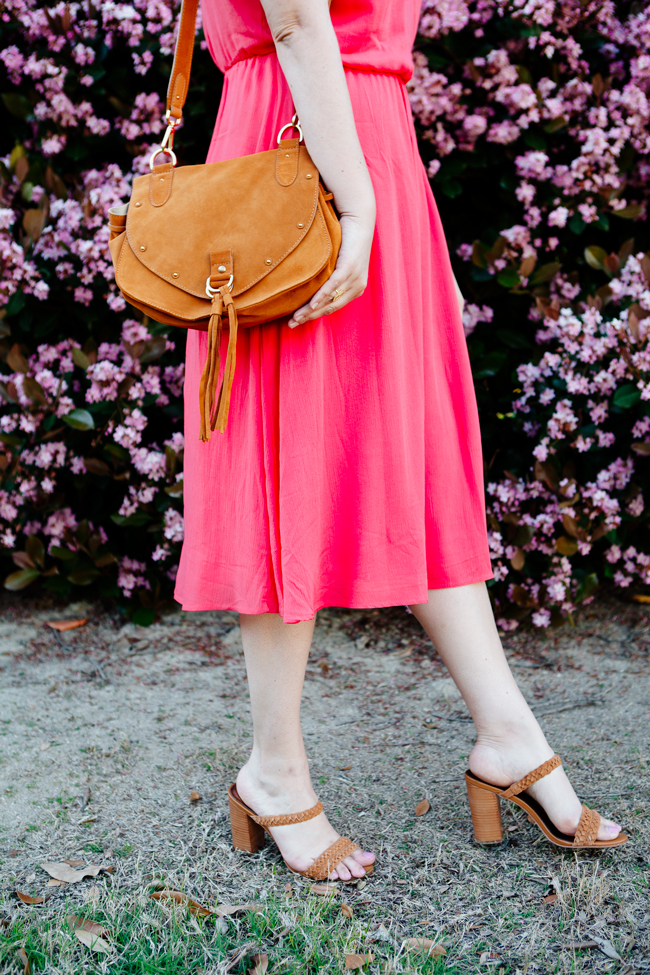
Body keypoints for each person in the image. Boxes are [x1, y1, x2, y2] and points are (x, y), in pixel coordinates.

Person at [175, 0, 625, 880]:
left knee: (413, 458)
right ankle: (273, 770)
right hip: (298, 159)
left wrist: (402, 221)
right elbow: (300, 27)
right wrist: (363, 206)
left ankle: (506, 732)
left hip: (363, 152)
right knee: (285, 458)